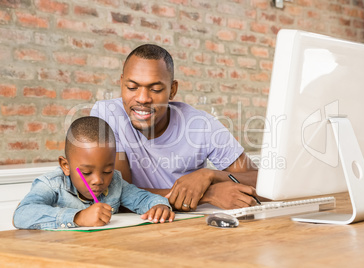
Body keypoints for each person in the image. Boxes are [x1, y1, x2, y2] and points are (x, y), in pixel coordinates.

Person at [90, 44, 260, 212]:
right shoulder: (107, 115)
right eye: (132, 87)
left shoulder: (201, 125)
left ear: (172, 90)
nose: (142, 98)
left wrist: (212, 175)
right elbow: (119, 194)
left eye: (155, 89)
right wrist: (207, 194)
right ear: (121, 84)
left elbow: (264, 183)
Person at [13, 116, 174, 230]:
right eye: (86, 172)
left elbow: (143, 198)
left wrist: (158, 206)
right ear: (65, 165)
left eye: (107, 171)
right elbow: (22, 214)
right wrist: (78, 217)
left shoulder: (115, 182)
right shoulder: (52, 184)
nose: (98, 180)